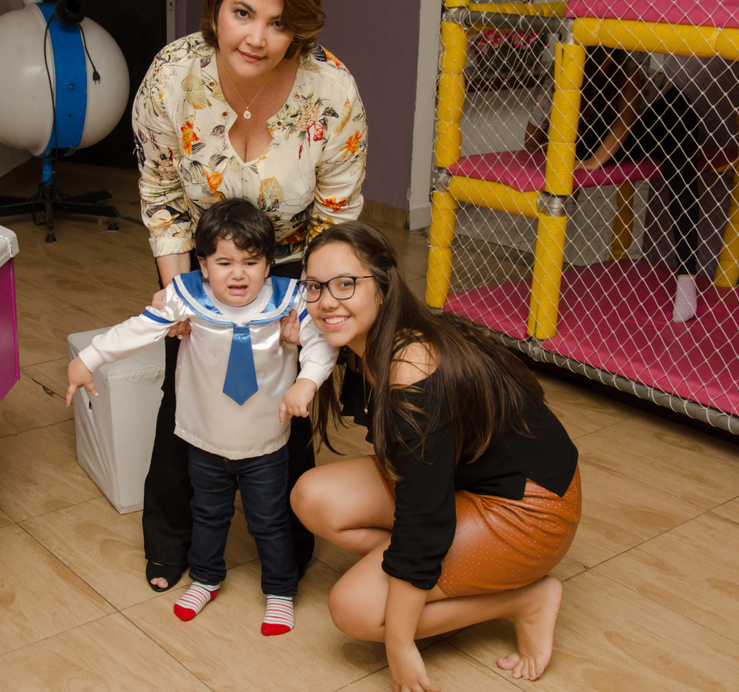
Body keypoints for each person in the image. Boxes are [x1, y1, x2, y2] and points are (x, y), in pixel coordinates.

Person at [132, 0, 368, 591]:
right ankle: (171, 538)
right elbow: (161, 197)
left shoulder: (333, 91)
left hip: (293, 264)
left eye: (279, 23)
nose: (257, 38)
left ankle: (286, 547)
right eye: (243, 13)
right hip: (201, 261)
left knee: (287, 406)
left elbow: (336, 219)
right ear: (216, 8)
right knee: (184, 393)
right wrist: (183, 298)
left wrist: (310, 308)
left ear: (302, 28)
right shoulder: (171, 76)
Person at [290, 222, 581, 691]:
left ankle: (525, 600)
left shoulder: (412, 365)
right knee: (311, 496)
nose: (326, 302)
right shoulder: (366, 341)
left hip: (529, 510)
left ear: (383, 286)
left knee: (355, 612)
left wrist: (399, 642)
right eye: (314, 287)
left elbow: (424, 516)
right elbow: (419, 489)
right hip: (465, 485)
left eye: (345, 284)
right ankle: (438, 574)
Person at [67, 199, 338, 634]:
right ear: (204, 264)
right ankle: (206, 578)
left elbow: (323, 343)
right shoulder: (185, 296)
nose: (238, 274)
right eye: (224, 262)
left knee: (269, 520)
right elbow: (138, 329)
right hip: (204, 439)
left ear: (269, 265)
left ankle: (280, 590)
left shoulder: (288, 300)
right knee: (208, 514)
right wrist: (88, 359)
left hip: (265, 443)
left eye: (251, 262)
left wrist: (307, 381)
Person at [524, 46, 703, 322]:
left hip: (666, 113)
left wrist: (595, 161)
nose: (607, 61)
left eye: (610, 56)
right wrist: (559, 147)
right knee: (572, 148)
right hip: (616, 130)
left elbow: (626, 118)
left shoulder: (627, 56)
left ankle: (686, 278)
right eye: (600, 56)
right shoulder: (562, 73)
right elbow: (531, 140)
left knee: (679, 166)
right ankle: (547, 263)